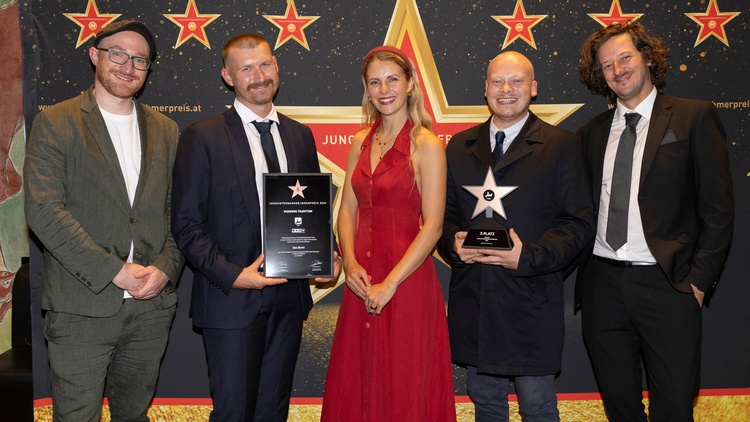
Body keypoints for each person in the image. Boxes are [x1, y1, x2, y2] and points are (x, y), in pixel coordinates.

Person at [171, 34, 341, 422]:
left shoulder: (299, 135)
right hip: (231, 300)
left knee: (273, 412)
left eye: (265, 64)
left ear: (276, 66)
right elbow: (186, 225)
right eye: (246, 68)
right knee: (234, 413)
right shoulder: (203, 136)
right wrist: (235, 276)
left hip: (289, 298)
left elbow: (310, 208)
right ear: (228, 76)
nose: (259, 76)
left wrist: (325, 252)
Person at [24, 20, 184, 421]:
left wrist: (166, 269)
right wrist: (114, 271)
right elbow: (45, 211)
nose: (128, 66)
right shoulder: (56, 121)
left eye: (140, 60)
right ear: (95, 55)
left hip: (151, 309)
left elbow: (179, 213)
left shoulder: (167, 130)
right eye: (118, 54)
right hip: (81, 308)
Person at [576, 22, 734, 422]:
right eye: (607, 65)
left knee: (675, 408)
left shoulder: (693, 117)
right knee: (621, 408)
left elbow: (718, 209)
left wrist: (697, 283)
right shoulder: (591, 133)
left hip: (668, 285)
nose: (617, 69)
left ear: (647, 57)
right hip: (603, 286)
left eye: (624, 57)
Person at [437, 51, 594, 422]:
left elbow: (578, 222)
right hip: (475, 301)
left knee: (537, 406)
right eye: (497, 81)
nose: (506, 89)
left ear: (533, 88)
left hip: (531, 302)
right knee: (485, 403)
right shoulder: (459, 146)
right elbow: (444, 216)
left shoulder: (561, 145)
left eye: (516, 80)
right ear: (486, 88)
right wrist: (453, 244)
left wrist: (529, 257)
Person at [321, 45, 456, 422]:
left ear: (410, 84)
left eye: (393, 79)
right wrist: (350, 264)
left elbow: (433, 226)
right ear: (366, 89)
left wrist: (391, 283)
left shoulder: (427, 145)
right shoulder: (359, 141)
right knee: (357, 378)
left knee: (404, 384)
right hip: (361, 280)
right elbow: (346, 210)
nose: (384, 90)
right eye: (375, 82)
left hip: (406, 282)